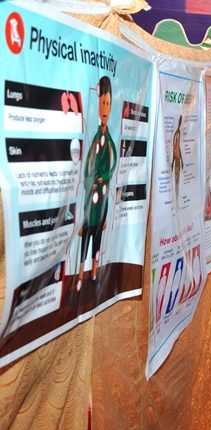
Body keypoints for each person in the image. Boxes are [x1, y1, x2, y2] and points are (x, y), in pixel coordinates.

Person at [77, 75, 116, 291]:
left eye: (108, 103)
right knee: (85, 239)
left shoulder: (108, 141)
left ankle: (93, 274)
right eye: (102, 102)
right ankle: (81, 274)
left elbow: (111, 166)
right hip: (89, 205)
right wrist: (90, 180)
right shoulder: (95, 140)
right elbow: (88, 165)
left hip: (101, 201)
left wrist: (103, 180)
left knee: (97, 241)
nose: (105, 107)